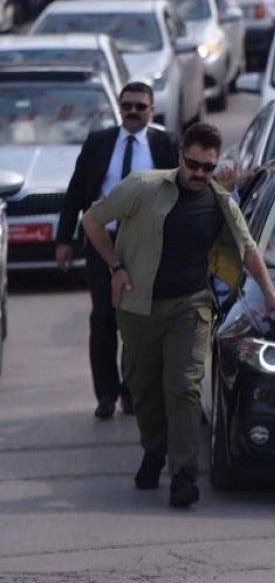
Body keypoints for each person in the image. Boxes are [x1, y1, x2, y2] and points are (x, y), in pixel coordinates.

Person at [81, 122, 275, 509]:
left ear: (216, 165)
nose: (199, 174)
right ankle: (154, 451)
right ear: (180, 156)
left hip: (191, 305)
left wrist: (272, 297)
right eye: (192, 164)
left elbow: (248, 249)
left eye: (207, 167)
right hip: (139, 307)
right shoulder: (144, 186)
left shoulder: (220, 201)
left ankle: (183, 476)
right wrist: (115, 266)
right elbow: (93, 220)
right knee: (143, 389)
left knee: (183, 387)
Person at [55, 82, 179, 419]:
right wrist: (64, 239)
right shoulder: (99, 143)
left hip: (148, 246)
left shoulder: (165, 143)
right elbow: (76, 191)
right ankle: (106, 394)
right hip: (102, 242)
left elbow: (183, 192)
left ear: (152, 110)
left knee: (139, 322)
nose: (134, 112)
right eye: (128, 106)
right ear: (119, 108)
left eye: (141, 106)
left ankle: (132, 392)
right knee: (104, 318)